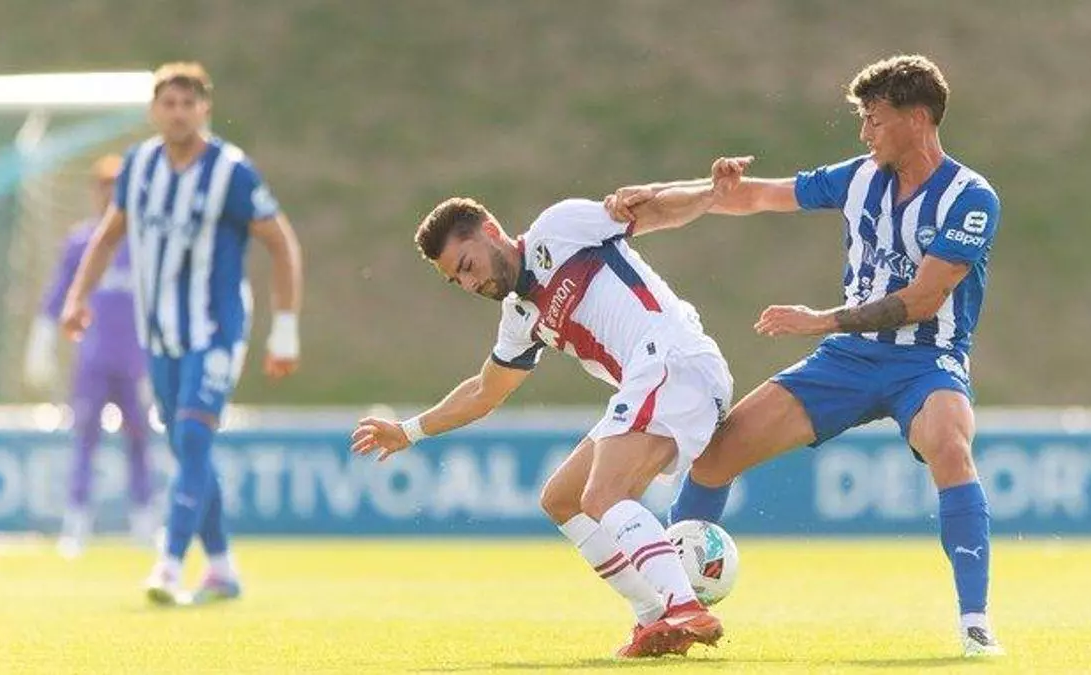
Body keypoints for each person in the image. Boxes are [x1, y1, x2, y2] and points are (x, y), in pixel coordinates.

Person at [606, 54, 1004, 657]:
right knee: (714, 456)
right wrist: (662, 197)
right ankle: (672, 610)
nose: (864, 133)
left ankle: (975, 623)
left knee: (950, 443)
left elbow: (924, 299)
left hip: (928, 359)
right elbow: (756, 198)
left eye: (874, 120)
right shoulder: (860, 176)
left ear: (917, 119)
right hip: (846, 360)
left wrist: (822, 319)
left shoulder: (971, 198)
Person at [352, 193, 735, 658]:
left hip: (675, 359)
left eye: (468, 266)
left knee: (603, 496)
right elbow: (484, 392)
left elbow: (647, 209)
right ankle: (656, 619)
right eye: (457, 280)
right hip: (653, 379)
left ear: (490, 231)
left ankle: (684, 606)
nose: (469, 284)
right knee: (563, 499)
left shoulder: (559, 228)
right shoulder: (519, 317)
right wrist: (409, 431)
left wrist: (710, 192)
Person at [59, 62, 304, 606]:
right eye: (168, 103)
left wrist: (284, 328)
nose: (178, 112)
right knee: (188, 445)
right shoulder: (138, 167)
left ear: (205, 110)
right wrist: (77, 298)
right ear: (154, 111)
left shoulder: (232, 172)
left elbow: (281, 243)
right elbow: (107, 237)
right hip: (160, 335)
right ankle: (221, 567)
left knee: (192, 439)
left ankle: (169, 565)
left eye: (188, 103)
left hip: (215, 330)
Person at [24, 154, 154, 558]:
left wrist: (161, 360)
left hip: (136, 362)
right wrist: (42, 341)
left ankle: (146, 523)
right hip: (93, 362)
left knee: (140, 442)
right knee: (85, 441)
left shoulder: (146, 241)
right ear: (94, 190)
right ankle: (76, 523)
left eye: (117, 184)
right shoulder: (81, 241)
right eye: (104, 184)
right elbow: (57, 294)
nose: (110, 192)